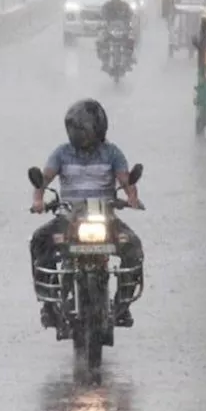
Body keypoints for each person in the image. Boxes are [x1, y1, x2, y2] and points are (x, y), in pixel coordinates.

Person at [29, 99, 145, 329]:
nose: (79, 134)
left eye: (83, 129)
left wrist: (132, 197)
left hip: (105, 217)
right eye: (75, 129)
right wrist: (38, 201)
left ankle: (122, 305)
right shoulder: (61, 153)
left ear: (98, 128)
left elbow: (126, 180)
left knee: (133, 247)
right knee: (39, 242)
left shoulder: (112, 153)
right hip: (68, 218)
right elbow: (44, 179)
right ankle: (48, 304)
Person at [98, 0, 136, 64]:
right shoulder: (106, 6)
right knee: (101, 39)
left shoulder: (125, 5)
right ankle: (104, 56)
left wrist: (129, 23)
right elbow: (102, 15)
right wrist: (103, 23)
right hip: (110, 28)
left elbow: (130, 14)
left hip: (122, 28)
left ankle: (129, 57)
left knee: (130, 39)